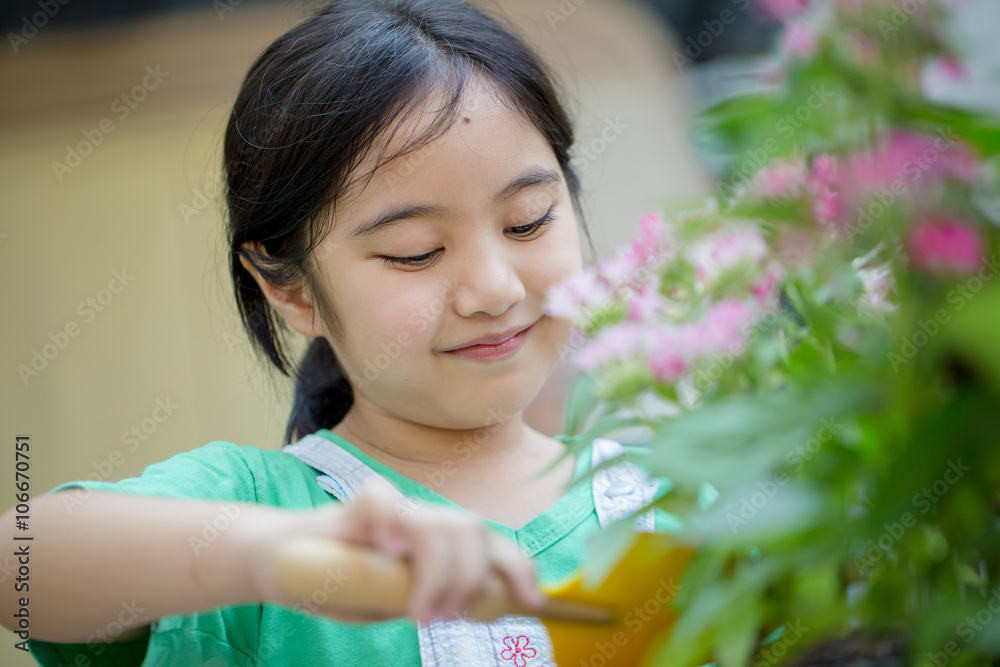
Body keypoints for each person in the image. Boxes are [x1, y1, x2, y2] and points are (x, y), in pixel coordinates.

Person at [2, 1, 665, 664]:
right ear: (290, 289)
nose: (495, 289)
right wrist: (270, 556)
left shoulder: (676, 494)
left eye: (527, 221)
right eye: (415, 251)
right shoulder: (265, 506)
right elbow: (20, 565)